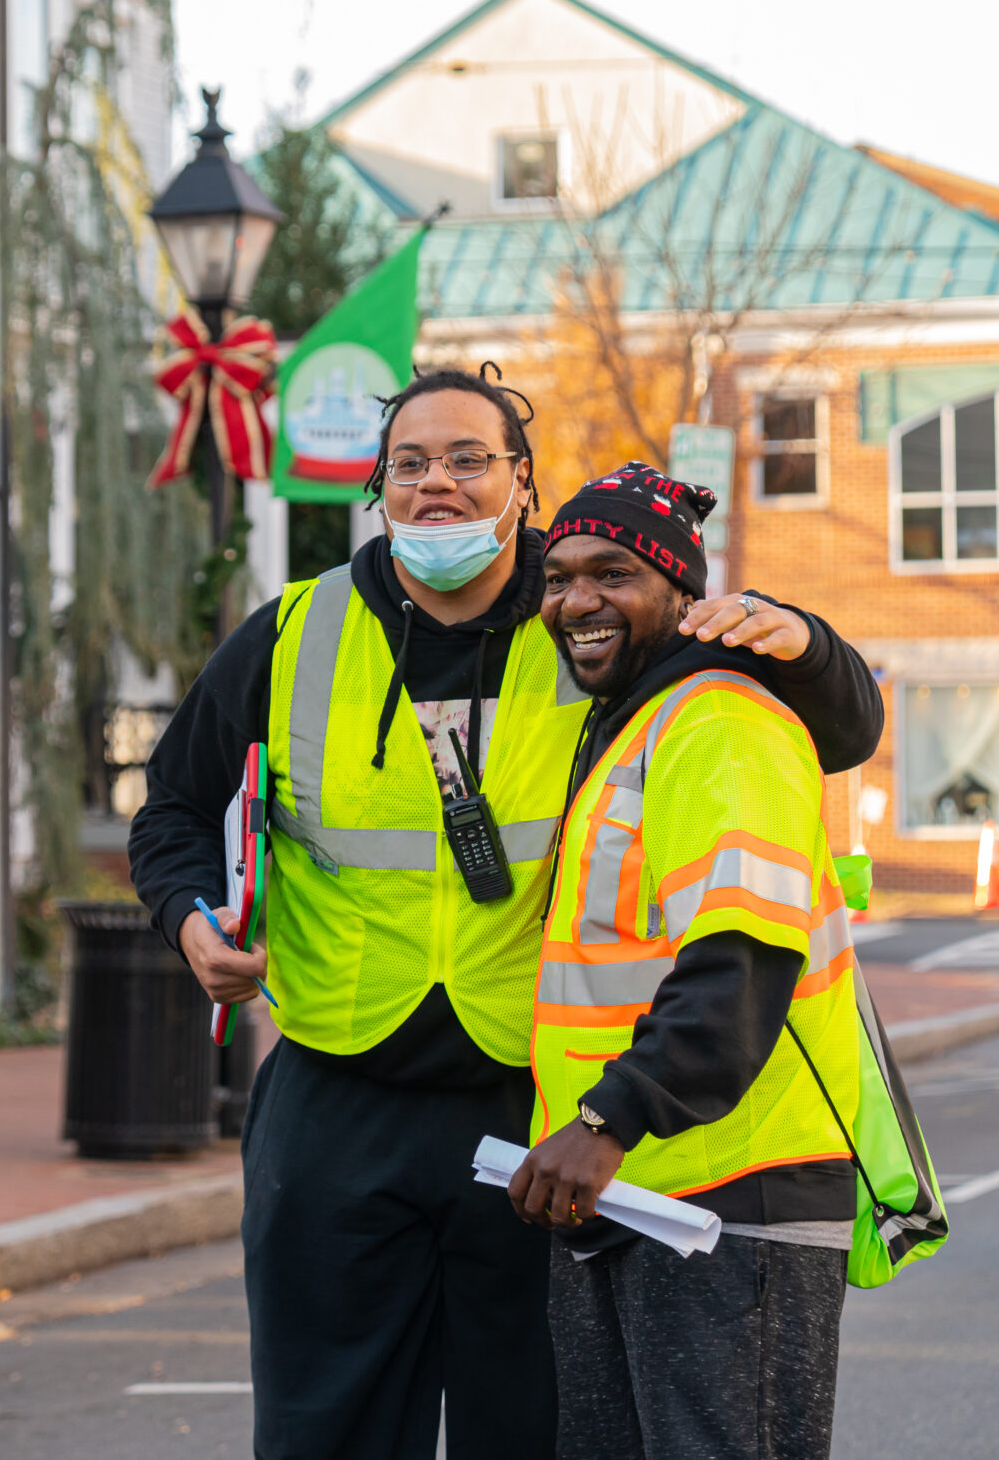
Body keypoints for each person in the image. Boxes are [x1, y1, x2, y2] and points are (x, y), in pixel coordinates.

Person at [128, 368, 881, 1459]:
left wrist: (800, 635)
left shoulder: (584, 608)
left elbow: (829, 725)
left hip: (530, 1108)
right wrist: (189, 916)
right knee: (321, 1430)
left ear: (522, 482)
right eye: (410, 463)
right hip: (335, 1096)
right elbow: (172, 809)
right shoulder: (293, 631)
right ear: (378, 487)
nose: (437, 483)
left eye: (469, 459)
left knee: (532, 1429)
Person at [506, 463, 863, 1460]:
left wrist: (607, 1119)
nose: (576, 599)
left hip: (723, 1196)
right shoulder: (628, 722)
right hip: (627, 1189)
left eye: (611, 572)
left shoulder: (719, 723)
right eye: (558, 575)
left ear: (681, 592)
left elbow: (741, 958)